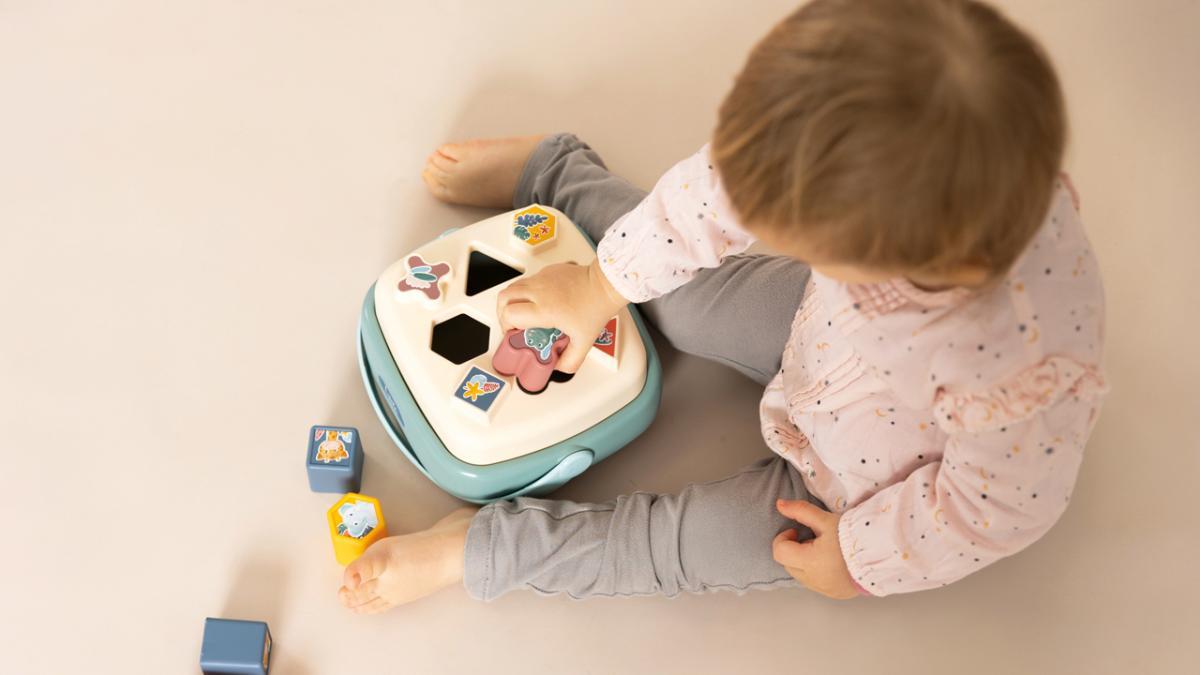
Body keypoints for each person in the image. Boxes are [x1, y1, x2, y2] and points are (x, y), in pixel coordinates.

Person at [338, 0, 1107, 613]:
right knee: (681, 293)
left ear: (887, 260)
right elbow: (711, 199)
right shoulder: (860, 145)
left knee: (674, 546)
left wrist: (862, 555)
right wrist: (601, 285)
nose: (753, 217)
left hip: (853, 486)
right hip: (814, 335)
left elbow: (996, 505)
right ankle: (558, 174)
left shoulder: (1020, 370)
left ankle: (479, 548)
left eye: (789, 227)